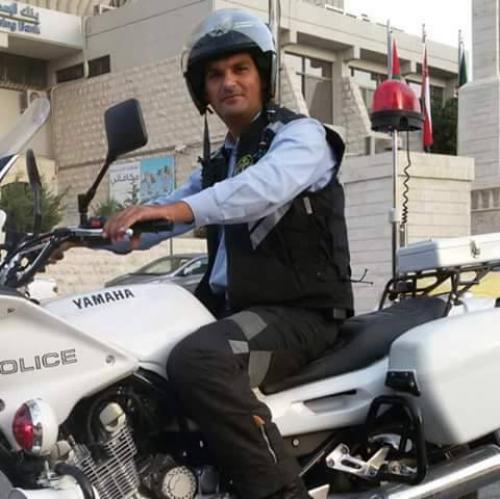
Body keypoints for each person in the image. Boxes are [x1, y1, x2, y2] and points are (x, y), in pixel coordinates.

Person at [103, 9, 353, 499]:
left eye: (240, 69)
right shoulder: (221, 163)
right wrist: (103, 231)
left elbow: (259, 190)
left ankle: (281, 492)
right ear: (202, 90)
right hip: (237, 312)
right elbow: (173, 207)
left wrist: (174, 210)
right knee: (130, 353)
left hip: (300, 315)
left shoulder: (301, 137)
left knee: (199, 360)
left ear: (264, 76)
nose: (228, 82)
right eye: (215, 75)